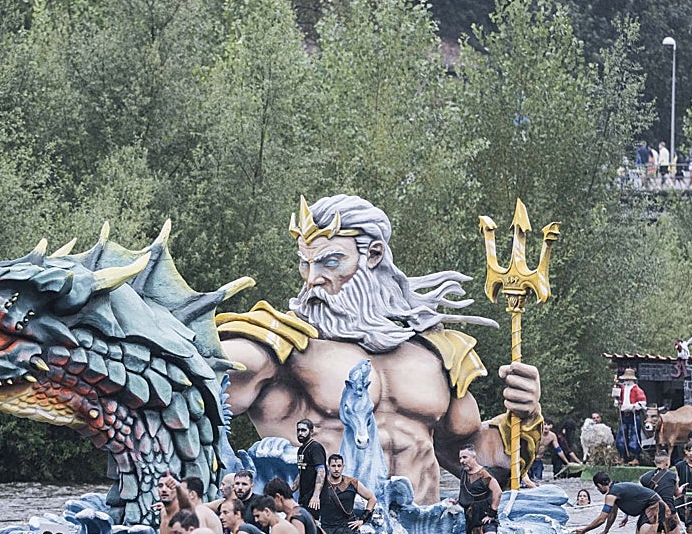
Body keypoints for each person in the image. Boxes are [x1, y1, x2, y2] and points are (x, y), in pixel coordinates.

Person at [219, 195, 543, 505]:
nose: (313, 280)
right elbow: (204, 377)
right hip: (326, 532)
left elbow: (474, 457)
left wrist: (525, 416)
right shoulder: (279, 349)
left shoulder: (435, 353)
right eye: (305, 265)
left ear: (373, 255)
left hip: (423, 533)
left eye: (330, 261)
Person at [571, 472, 668, 534]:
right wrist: (605, 531)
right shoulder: (615, 490)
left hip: (655, 507)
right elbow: (612, 515)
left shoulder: (611, 494)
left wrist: (584, 530)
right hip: (647, 508)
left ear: (599, 485)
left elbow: (602, 518)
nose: (598, 489)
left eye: (597, 487)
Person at [320, 455, 377, 534]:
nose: (336, 469)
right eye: (333, 466)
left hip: (349, 528)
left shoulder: (352, 483)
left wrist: (362, 519)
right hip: (330, 529)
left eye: (339, 466)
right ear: (328, 467)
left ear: (343, 467)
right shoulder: (321, 485)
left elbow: (372, 498)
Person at [455, 447, 502, 534]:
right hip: (471, 518)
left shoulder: (484, 474)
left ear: (473, 457)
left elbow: (497, 492)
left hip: (486, 516)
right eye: (460, 458)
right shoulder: (463, 473)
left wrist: (492, 514)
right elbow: (466, 490)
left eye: (465, 457)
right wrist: (457, 500)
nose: (462, 461)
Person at [640, 447, 684, 534]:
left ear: (655, 462)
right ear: (667, 462)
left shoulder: (644, 478)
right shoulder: (672, 476)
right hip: (669, 514)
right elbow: (677, 493)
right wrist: (681, 490)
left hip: (653, 516)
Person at [612, 369, 646, 462]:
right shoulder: (622, 389)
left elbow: (642, 403)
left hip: (634, 414)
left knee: (635, 434)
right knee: (621, 434)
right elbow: (617, 399)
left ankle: (635, 457)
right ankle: (622, 455)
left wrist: (631, 407)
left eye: (628, 379)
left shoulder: (637, 390)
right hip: (623, 414)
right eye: (625, 379)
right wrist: (617, 402)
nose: (626, 381)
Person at [294, 419, 328, 511]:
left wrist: (316, 496)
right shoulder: (301, 449)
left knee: (313, 523)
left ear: (311, 432)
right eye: (298, 430)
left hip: (314, 499)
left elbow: (321, 471)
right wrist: (291, 489)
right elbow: (301, 471)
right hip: (303, 497)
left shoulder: (315, 447)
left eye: (303, 430)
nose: (300, 433)